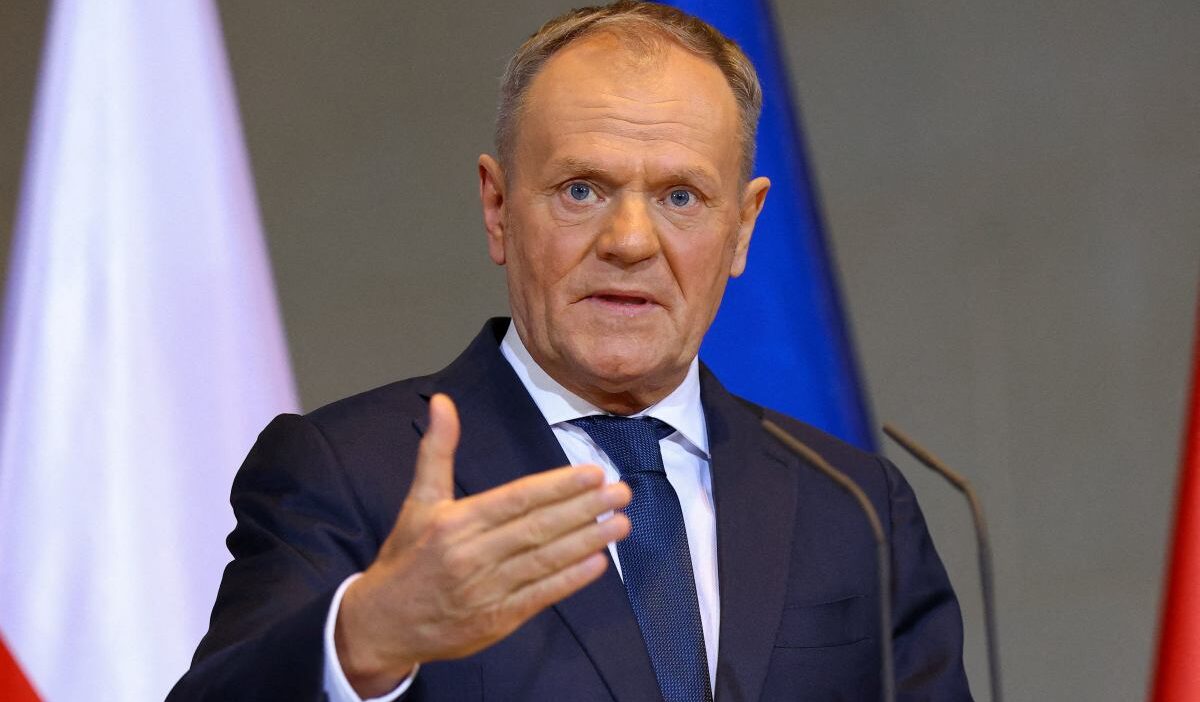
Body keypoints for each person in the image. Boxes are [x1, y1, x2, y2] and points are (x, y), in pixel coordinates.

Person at [169, 2, 971, 700]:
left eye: (681, 196)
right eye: (581, 189)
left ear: (742, 228)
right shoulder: (348, 474)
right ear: (498, 207)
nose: (629, 241)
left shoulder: (854, 507)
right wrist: (363, 642)